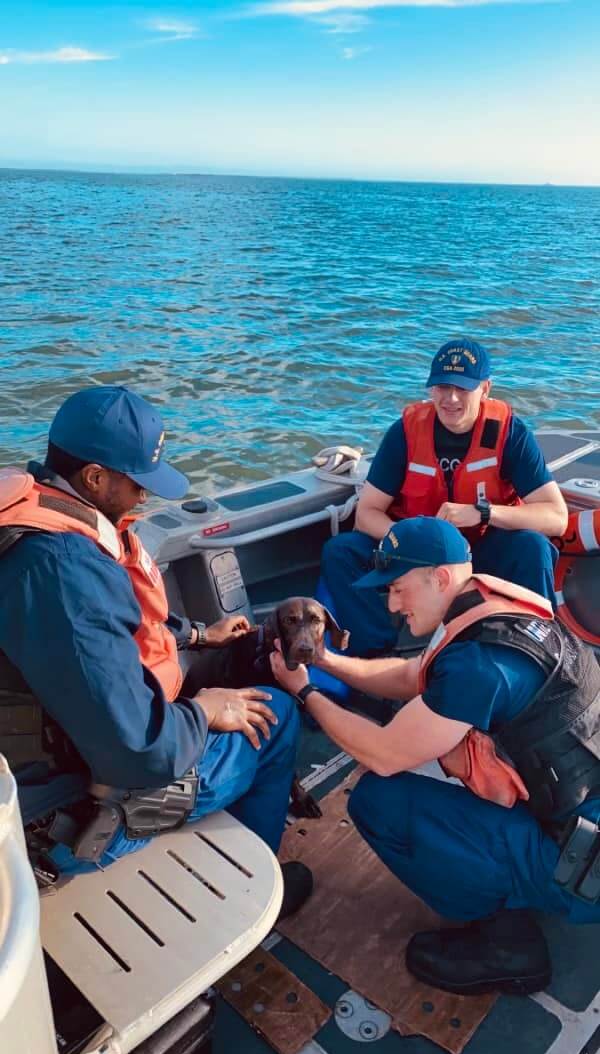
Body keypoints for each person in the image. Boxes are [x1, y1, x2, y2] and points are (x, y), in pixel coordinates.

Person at [0, 385, 311, 916]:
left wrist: (193, 635)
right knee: (274, 714)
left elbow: (114, 626)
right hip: (56, 818)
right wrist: (205, 710)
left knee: (216, 683)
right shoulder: (63, 573)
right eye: (137, 483)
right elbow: (142, 752)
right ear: (95, 477)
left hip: (35, 756)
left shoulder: (33, 518)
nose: (145, 498)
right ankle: (251, 891)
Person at [271, 516, 600, 995]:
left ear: (439, 578)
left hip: (585, 865)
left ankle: (508, 946)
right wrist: (324, 662)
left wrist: (305, 694)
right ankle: (519, 873)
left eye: (399, 588)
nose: (391, 604)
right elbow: (412, 677)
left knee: (379, 801)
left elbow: (384, 755)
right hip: (578, 808)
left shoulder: (482, 665)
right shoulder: (492, 607)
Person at [320, 337, 568, 656]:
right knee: (340, 551)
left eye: (462, 388)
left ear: (485, 389)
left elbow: (556, 518)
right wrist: (409, 542)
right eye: (441, 387)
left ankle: (536, 653)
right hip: (412, 555)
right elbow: (367, 513)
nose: (450, 399)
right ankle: (375, 655)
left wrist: (484, 513)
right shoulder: (406, 433)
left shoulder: (510, 434)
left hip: (479, 552)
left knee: (532, 547)